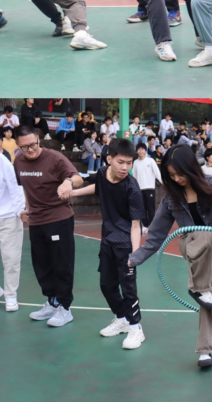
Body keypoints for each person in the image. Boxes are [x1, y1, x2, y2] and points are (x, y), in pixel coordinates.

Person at [129, 146, 212, 368]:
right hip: (191, 246)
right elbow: (157, 233)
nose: (177, 179)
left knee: (210, 300)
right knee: (206, 234)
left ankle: (206, 350)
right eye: (172, 175)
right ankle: (198, 288)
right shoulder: (172, 197)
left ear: (192, 168)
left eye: (180, 174)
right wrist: (135, 258)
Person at [69, 139, 146, 348]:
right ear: (109, 159)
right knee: (106, 285)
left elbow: (136, 225)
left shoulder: (132, 188)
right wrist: (73, 192)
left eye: (129, 163)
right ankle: (122, 318)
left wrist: (135, 255)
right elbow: (98, 186)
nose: (125, 167)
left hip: (125, 244)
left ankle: (136, 328)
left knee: (128, 289)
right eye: (121, 162)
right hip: (107, 241)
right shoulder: (103, 173)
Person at [13, 125, 83, 328]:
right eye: (25, 147)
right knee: (42, 265)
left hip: (59, 219)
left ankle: (65, 307)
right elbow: (25, 187)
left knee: (62, 264)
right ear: (18, 145)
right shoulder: (18, 161)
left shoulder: (55, 158)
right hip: (36, 221)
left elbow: (77, 178)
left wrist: (68, 182)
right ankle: (52, 302)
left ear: (39, 139)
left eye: (33, 145)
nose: (30, 150)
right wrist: (27, 208)